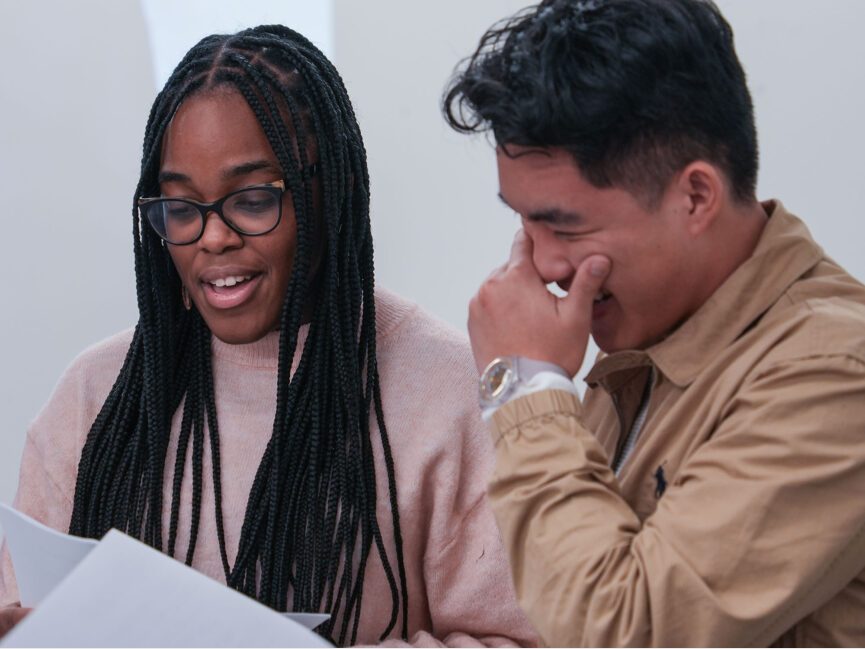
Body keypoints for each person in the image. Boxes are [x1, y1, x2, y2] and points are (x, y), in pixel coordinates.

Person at [0, 25, 536, 648]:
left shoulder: (447, 389)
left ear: (326, 192)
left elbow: (523, 639)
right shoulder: (96, 396)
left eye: (252, 200)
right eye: (180, 208)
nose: (213, 237)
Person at [443, 0, 865, 646]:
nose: (542, 263)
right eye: (523, 221)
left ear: (694, 196)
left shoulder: (834, 371)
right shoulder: (645, 340)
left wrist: (525, 388)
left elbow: (627, 630)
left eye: (563, 225)